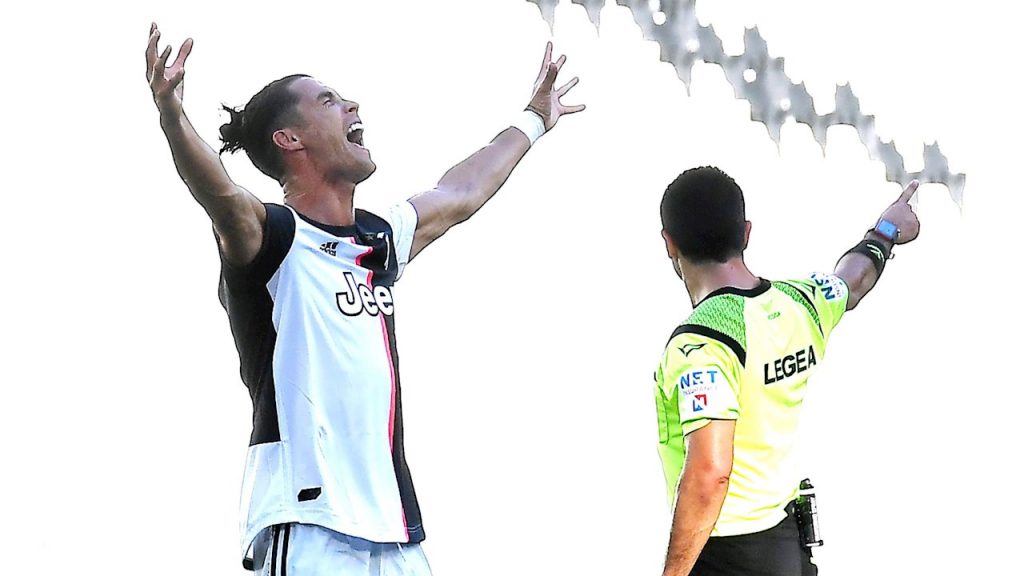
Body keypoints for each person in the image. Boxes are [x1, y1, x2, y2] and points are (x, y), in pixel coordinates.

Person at [144, 22, 584, 575]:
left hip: (396, 532)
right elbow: (222, 195)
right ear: (291, 139)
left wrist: (535, 119)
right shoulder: (276, 239)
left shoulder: (377, 239)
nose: (351, 103)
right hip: (306, 525)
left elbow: (461, 192)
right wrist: (171, 117)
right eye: (328, 100)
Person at [653, 166, 920, 576]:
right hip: (785, 545)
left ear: (669, 244)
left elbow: (710, 472)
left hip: (726, 553)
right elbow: (853, 279)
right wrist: (885, 231)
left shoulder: (701, 343)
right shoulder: (802, 302)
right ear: (745, 232)